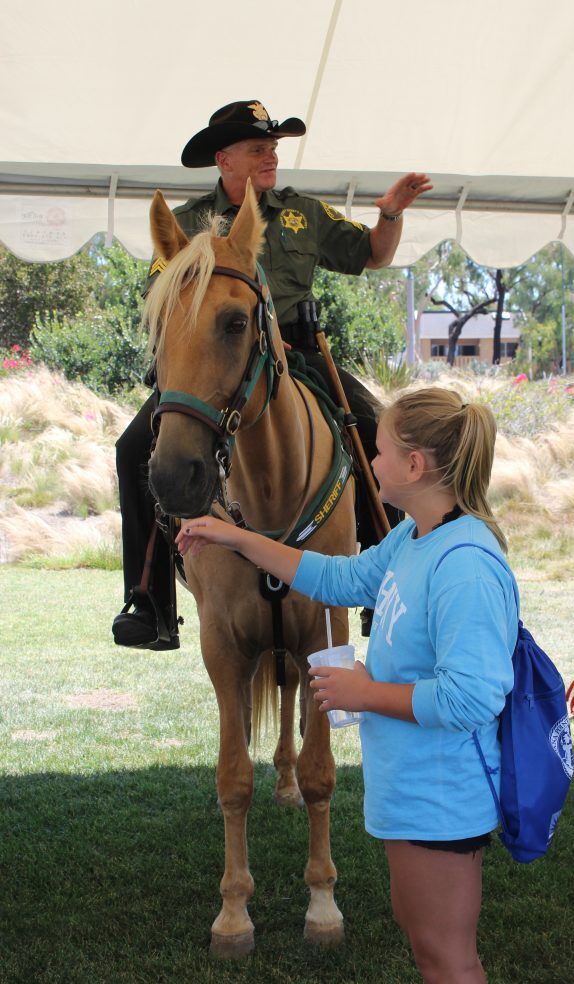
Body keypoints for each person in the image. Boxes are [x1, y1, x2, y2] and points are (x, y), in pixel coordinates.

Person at [176, 387, 517, 984]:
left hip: (441, 800)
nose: (370, 462)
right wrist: (233, 535)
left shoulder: (465, 562)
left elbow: (475, 694)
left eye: (380, 450)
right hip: (412, 797)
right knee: (434, 955)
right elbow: (337, 576)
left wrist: (366, 693)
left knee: (450, 963)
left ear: (416, 467)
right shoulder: (413, 540)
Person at [113, 99, 432, 650]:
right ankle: (149, 599)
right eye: (258, 148)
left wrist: (391, 215)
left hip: (301, 354)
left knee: (379, 433)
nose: (271, 158)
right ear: (224, 158)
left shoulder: (301, 212)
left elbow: (374, 255)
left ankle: (381, 590)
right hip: (214, 360)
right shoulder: (187, 224)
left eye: (274, 148)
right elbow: (163, 299)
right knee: (133, 447)